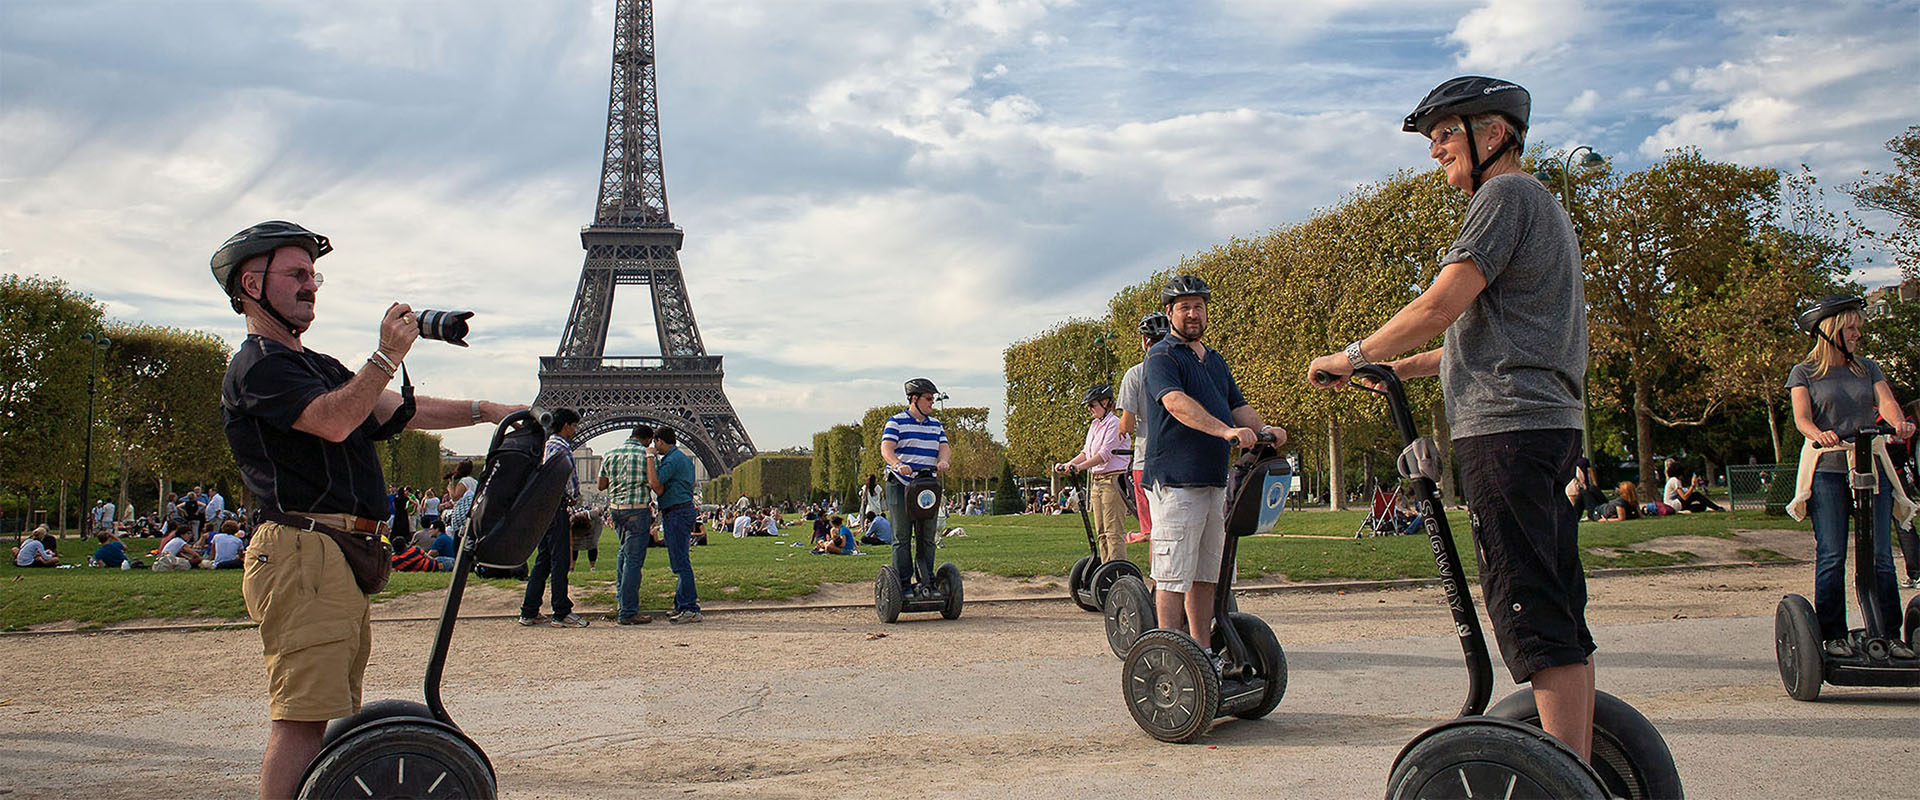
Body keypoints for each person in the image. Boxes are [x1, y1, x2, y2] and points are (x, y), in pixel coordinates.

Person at [1305, 77, 1599, 760]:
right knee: (1553, 603)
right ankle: (1576, 760)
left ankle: (1563, 778)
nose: (1436, 150)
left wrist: (1352, 355)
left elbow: (1442, 304)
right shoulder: (1543, 205)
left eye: (1446, 134)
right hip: (1547, 423)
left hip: (1507, 432)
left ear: (1493, 135)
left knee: (1528, 607)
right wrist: (1395, 369)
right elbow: (1481, 339)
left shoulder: (1503, 195)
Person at [209, 220, 520, 799]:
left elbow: (394, 408)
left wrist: (488, 409)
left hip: (335, 553)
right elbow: (333, 420)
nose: (311, 286)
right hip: (304, 548)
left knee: (321, 708)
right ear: (252, 284)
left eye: (314, 275)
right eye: (297, 274)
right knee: (301, 716)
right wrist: (385, 353)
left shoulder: (316, 365)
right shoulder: (258, 364)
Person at [1139, 274, 1287, 655]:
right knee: (1172, 576)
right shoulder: (1161, 356)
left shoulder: (1215, 361)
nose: (1193, 314)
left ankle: (1201, 652)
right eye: (1184, 307)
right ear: (1170, 312)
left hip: (1213, 480)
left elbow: (1238, 405)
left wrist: (1264, 428)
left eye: (1199, 307)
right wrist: (1225, 432)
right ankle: (1169, 654)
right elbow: (1174, 402)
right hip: (1175, 483)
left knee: (1208, 575)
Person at [1783, 295, 1917, 660]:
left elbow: (1886, 404)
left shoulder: (1868, 368)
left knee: (1880, 556)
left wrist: (1898, 423)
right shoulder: (1804, 372)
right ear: (1830, 333)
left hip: (1870, 467)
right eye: (1851, 328)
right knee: (1832, 553)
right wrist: (1817, 433)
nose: (1858, 334)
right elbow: (1802, 418)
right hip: (1828, 468)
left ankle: (1888, 634)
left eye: (1859, 327)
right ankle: (1833, 636)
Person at [880, 378, 953, 598]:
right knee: (902, 535)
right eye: (928, 399)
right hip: (901, 485)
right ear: (914, 399)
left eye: (933, 399)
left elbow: (944, 447)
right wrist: (898, 464)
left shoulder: (936, 425)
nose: (932, 403)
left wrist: (943, 461)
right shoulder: (896, 422)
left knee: (927, 535)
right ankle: (902, 585)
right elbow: (887, 449)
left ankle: (927, 582)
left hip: (926, 486)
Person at [520, 409, 589, 629]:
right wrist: (574, 497)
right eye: (574, 426)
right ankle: (561, 611)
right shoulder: (560, 447)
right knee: (560, 560)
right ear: (566, 425)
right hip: (555, 507)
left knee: (544, 560)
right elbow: (566, 479)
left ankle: (529, 611)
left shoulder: (544, 445)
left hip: (542, 509)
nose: (575, 430)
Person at [1056, 383, 1131, 563]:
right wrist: (1068, 464)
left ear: (1105, 403)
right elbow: (1086, 453)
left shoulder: (1114, 424)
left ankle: (1119, 573)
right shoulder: (1095, 425)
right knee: (1101, 533)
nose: (1089, 409)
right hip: (1098, 482)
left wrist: (1079, 468)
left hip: (1113, 481)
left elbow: (1104, 455)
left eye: (1092, 405)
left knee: (1113, 532)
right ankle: (1107, 570)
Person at [1118, 312, 1172, 544]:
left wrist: (1121, 427)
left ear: (1144, 341)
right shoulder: (1181, 368)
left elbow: (1127, 423)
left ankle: (1158, 580)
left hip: (1147, 458)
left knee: (1153, 530)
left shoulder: (1135, 374)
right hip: (1180, 457)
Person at [598, 424, 657, 624]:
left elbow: (601, 485)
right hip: (637, 510)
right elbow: (653, 482)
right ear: (648, 439)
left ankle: (621, 601)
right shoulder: (646, 455)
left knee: (623, 553)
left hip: (616, 510)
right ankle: (628, 612)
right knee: (633, 560)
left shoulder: (610, 453)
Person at [648, 426, 702, 624]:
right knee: (680, 561)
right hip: (681, 510)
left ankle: (690, 608)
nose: (655, 446)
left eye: (656, 443)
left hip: (677, 512)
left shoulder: (671, 460)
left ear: (660, 441)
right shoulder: (681, 458)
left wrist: (650, 458)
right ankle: (682, 604)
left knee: (680, 563)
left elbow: (655, 483)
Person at [1891, 399, 1920, 589]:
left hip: (1886, 473)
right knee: (1905, 523)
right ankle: (1916, 571)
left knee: (1900, 524)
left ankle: (1915, 571)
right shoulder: (1907, 424)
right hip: (1899, 474)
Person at [441, 460, 479, 535]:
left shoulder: (464, 481)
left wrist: (450, 488)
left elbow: (455, 497)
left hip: (463, 515)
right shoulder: (475, 481)